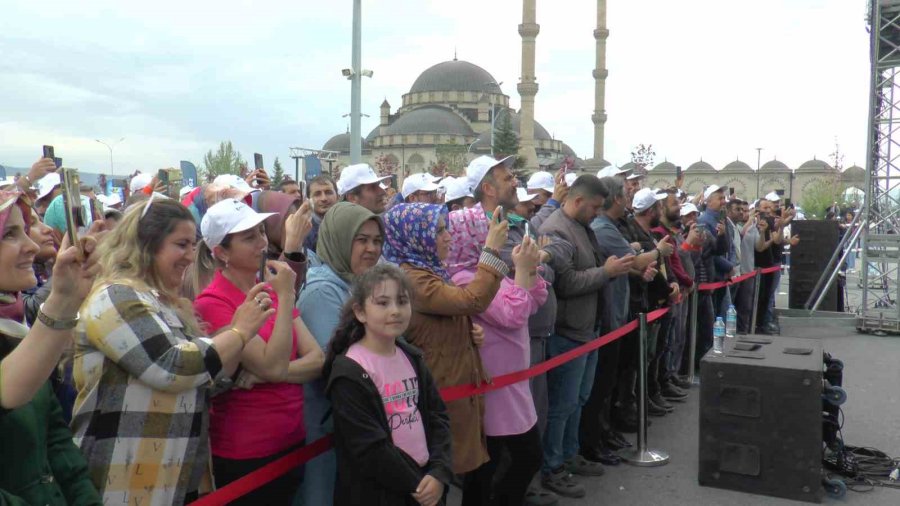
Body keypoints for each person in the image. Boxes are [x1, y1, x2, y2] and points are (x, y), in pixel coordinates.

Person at [71, 197, 274, 505]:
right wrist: (240, 332)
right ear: (146, 244)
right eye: (181, 245)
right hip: (119, 481)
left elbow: (205, 378)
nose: (190, 257)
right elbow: (174, 366)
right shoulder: (115, 296)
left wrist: (233, 360)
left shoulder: (164, 302)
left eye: (193, 246)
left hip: (168, 479)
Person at [193, 199, 325, 504]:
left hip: (292, 438)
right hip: (247, 450)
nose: (262, 242)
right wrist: (286, 296)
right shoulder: (213, 303)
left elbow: (317, 359)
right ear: (221, 253)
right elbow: (274, 364)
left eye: (262, 232)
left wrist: (265, 377)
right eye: (249, 237)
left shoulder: (269, 286)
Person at [382, 202, 508, 505]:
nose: (447, 237)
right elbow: (472, 300)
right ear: (415, 237)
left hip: (452, 393)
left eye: (446, 229)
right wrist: (490, 252)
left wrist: (466, 333)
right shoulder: (413, 279)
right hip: (437, 401)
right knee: (434, 483)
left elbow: (445, 319)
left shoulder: (428, 271)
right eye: (437, 231)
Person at [0, 190, 102, 505]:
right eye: (9, 234)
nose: (31, 245)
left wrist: (67, 296)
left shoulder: (15, 331)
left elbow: (56, 441)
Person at [537, 175, 634, 498]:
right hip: (567, 333)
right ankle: (553, 467)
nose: (597, 213)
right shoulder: (555, 230)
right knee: (562, 405)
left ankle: (568, 453)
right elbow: (565, 284)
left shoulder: (581, 226)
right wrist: (606, 272)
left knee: (578, 400)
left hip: (587, 329)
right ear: (578, 201)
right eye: (593, 207)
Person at [324, 264, 452, 506]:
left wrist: (438, 472)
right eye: (382, 303)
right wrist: (417, 485)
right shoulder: (349, 372)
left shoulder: (411, 357)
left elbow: (438, 417)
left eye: (402, 301)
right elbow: (370, 448)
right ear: (360, 312)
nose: (395, 311)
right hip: (383, 492)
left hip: (426, 482)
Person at [447, 203, 548, 506]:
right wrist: (521, 276)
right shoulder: (465, 278)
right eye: (486, 230)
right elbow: (514, 314)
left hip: (510, 384)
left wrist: (527, 269)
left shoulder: (487, 270)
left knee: (507, 461)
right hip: (493, 387)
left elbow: (534, 299)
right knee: (497, 464)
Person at [296, 202, 384, 506]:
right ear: (339, 238)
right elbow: (337, 367)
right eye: (361, 240)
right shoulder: (323, 290)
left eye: (376, 240)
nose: (371, 249)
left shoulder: (355, 285)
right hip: (326, 425)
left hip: (349, 426)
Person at [582, 178, 660, 464]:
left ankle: (603, 432)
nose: (630, 197)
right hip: (606, 320)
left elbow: (624, 267)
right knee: (601, 385)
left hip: (617, 316)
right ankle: (592, 440)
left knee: (610, 383)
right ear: (616, 199)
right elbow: (629, 261)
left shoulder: (611, 227)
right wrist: (659, 252)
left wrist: (639, 271)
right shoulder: (603, 228)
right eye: (626, 193)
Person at [304, 175, 339, 254]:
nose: (324, 198)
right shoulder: (305, 230)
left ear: (338, 196)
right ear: (309, 200)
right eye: (317, 194)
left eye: (328, 193)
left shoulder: (348, 224)